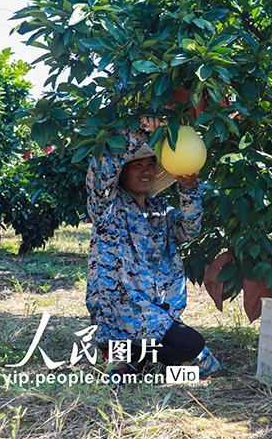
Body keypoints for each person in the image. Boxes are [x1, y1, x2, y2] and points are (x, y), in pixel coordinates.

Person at [85, 116, 220, 382]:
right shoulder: (107, 208)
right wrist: (142, 130)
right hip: (124, 311)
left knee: (208, 367)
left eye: (150, 164)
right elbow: (103, 167)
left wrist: (189, 189)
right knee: (190, 345)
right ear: (121, 171)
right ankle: (128, 356)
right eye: (137, 165)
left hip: (156, 313)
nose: (146, 171)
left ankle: (133, 363)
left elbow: (188, 230)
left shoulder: (159, 210)